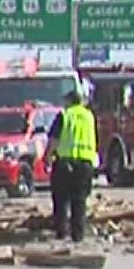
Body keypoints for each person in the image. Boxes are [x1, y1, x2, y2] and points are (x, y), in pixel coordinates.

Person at [47, 85, 101, 242]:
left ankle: (62, 231)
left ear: (70, 101)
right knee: (80, 200)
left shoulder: (65, 114)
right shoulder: (89, 116)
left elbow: (54, 139)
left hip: (65, 162)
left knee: (61, 198)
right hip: (85, 162)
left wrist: (48, 156)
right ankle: (78, 234)